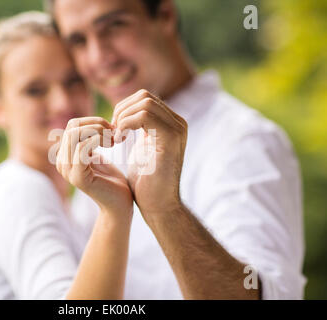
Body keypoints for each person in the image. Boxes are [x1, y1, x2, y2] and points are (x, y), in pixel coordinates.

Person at [46, 0, 306, 299]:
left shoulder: (246, 140)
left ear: (166, 15)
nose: (98, 57)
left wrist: (165, 210)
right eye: (78, 41)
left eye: (114, 26)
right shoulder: (104, 153)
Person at [0, 11, 133, 299]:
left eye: (73, 80)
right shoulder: (18, 190)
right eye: (35, 90)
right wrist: (115, 213)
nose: (62, 102)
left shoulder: (72, 203)